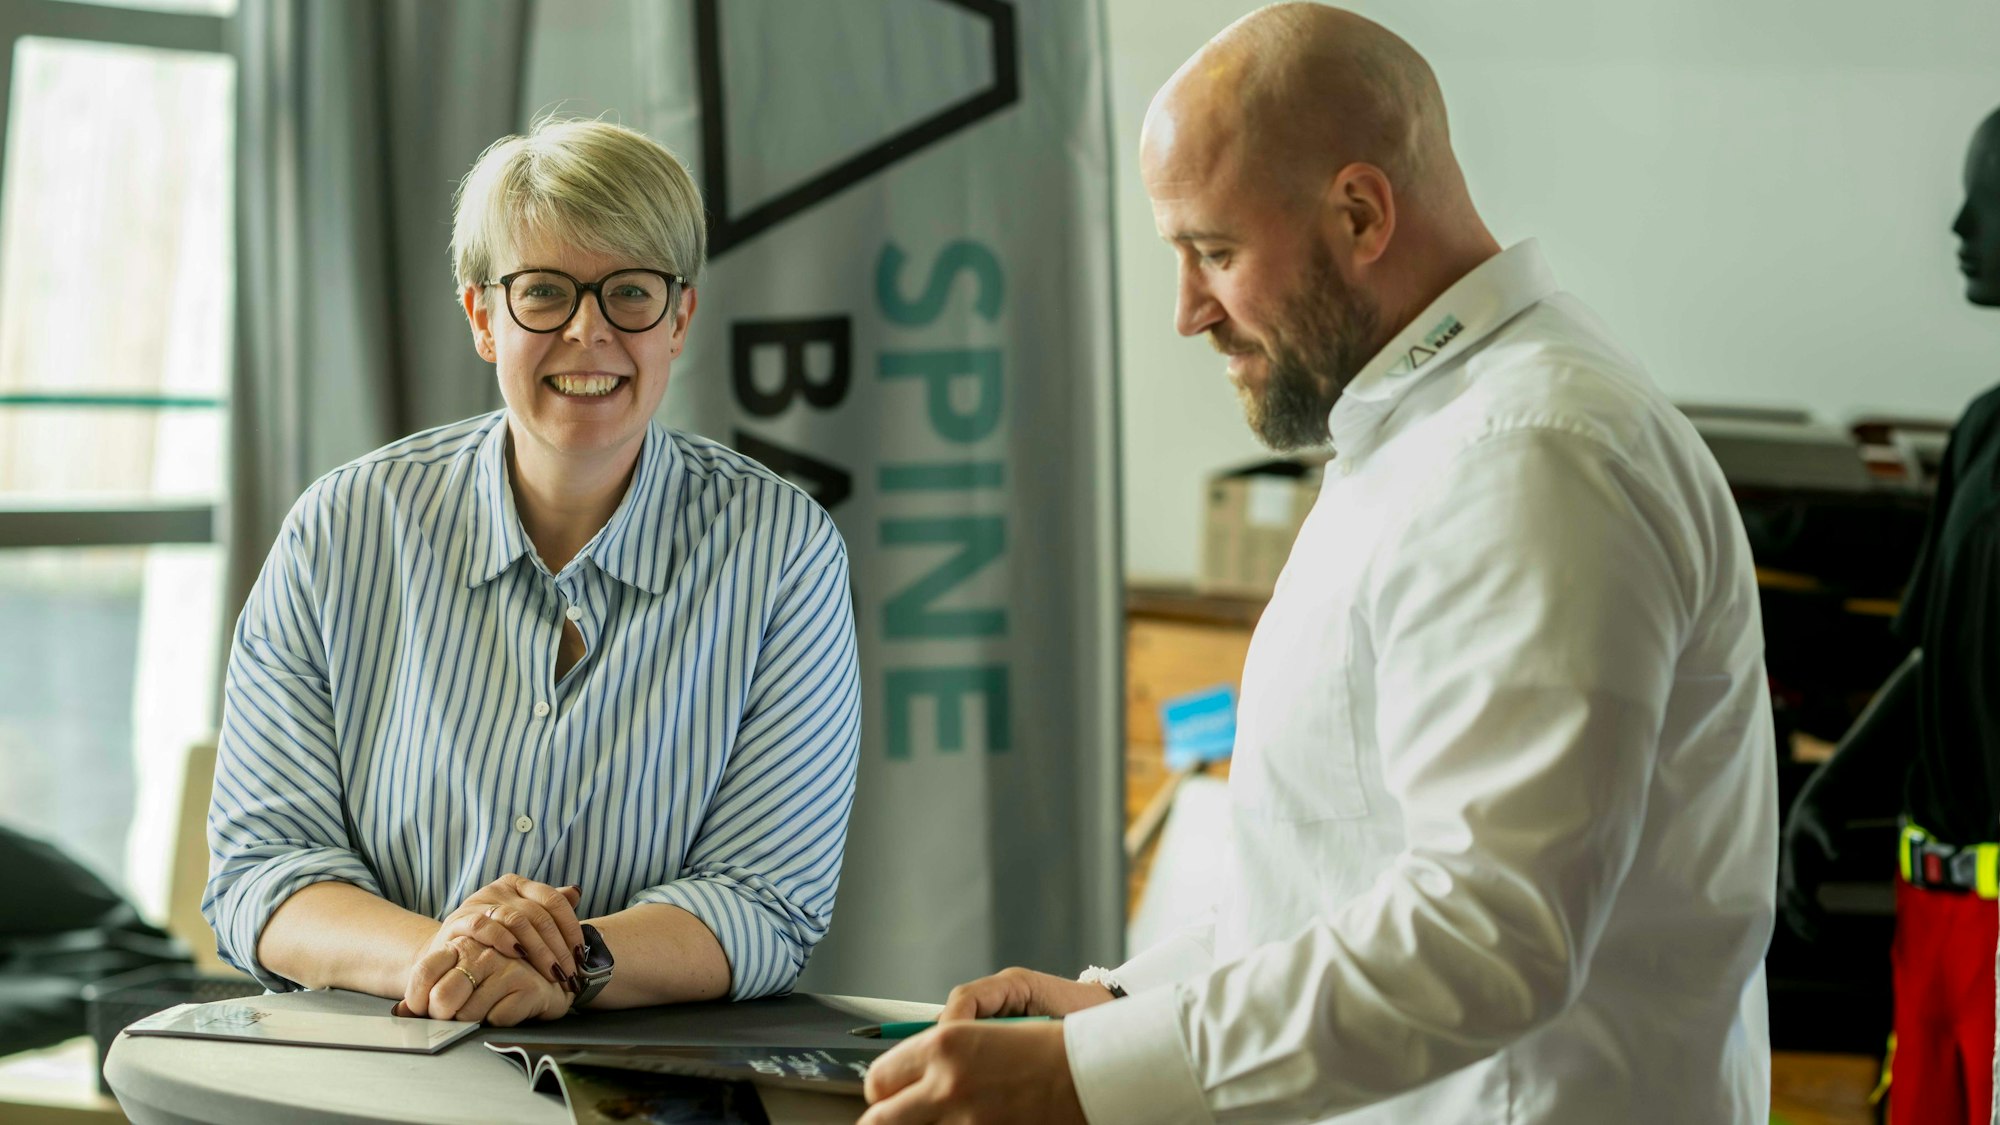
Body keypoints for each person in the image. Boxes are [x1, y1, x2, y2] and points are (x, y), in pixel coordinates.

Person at [859, 6, 1776, 1123]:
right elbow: (1341, 874)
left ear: (1358, 212)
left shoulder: (1526, 455)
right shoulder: (1429, 431)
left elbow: (1485, 932)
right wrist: (1115, 1012)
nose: (1188, 312)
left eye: (1214, 252)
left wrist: (1081, 1082)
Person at [202, 118, 862, 1027]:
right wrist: (445, 957)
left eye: (630, 292)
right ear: (482, 315)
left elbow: (768, 897)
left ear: (679, 318)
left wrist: (574, 963)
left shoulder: (785, 551)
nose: (588, 331)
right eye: (544, 293)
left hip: (634, 1083)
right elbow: (263, 869)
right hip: (373, 1073)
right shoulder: (341, 529)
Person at [1781, 105, 2000, 1125]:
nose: (1959, 226)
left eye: (1986, 195)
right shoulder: (1981, 430)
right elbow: (1928, 657)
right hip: (1934, 908)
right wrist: (1825, 791)